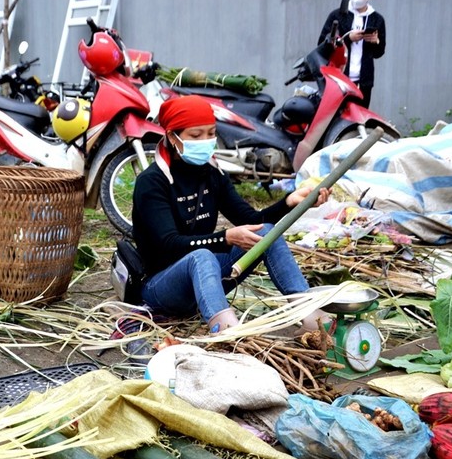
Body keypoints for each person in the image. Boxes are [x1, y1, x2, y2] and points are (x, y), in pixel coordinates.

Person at [132, 95, 331, 334]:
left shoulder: (212, 175)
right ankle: (227, 333)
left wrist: (290, 202)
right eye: (196, 136)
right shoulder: (152, 183)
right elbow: (168, 244)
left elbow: (254, 221)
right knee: (201, 256)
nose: (206, 141)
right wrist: (225, 238)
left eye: (210, 133)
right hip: (161, 287)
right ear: (172, 137)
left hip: (206, 281)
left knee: (267, 232)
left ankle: (308, 314)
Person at [319, 0, 386, 108]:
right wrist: (348, 38)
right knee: (337, 118)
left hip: (364, 81)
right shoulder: (337, 15)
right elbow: (322, 45)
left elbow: (379, 53)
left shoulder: (377, 19)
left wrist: (376, 41)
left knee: (359, 119)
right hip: (338, 80)